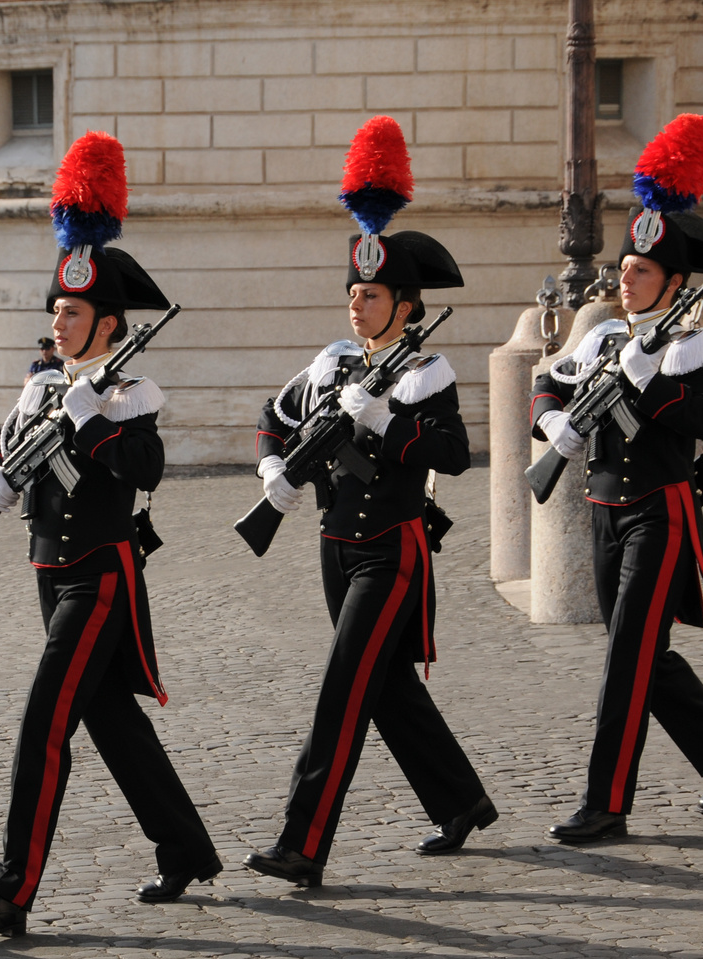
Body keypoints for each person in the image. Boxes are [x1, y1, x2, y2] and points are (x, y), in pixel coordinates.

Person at [0, 133, 220, 938]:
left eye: (72, 313)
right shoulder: (42, 384)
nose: (59, 324)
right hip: (45, 565)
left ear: (108, 323)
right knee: (112, 721)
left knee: (46, 724)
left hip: (98, 574)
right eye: (56, 311)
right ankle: (186, 848)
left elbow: (146, 468)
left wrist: (90, 418)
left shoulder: (127, 392)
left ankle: (12, 890)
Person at [241, 118, 494, 886]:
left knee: (343, 688)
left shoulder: (426, 373)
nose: (356, 306)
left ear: (406, 306)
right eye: (353, 292)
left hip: (391, 546)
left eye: (372, 295)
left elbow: (453, 453)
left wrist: (386, 422)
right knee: (382, 686)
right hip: (333, 543)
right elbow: (271, 419)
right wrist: (272, 473)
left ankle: (303, 844)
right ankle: (461, 802)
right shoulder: (332, 364)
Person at [530, 115, 703, 843]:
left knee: (630, 658)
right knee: (639, 654)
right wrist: (553, 426)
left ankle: (606, 802)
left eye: (639, 272)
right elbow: (547, 383)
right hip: (603, 506)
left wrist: (648, 383)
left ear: (672, 281)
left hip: (659, 514)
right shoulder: (602, 334)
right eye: (625, 269)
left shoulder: (686, 346)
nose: (623, 279)